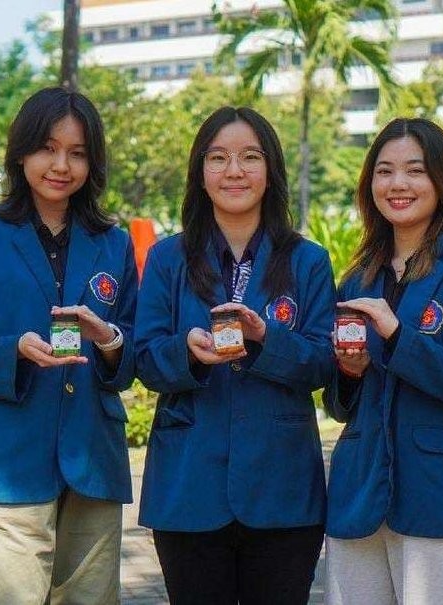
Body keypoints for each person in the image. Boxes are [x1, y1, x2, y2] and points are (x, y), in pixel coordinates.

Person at [0, 87, 137, 604]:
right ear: (21, 151)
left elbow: (132, 355)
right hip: (6, 462)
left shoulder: (114, 241)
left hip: (93, 462)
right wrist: (10, 351)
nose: (61, 164)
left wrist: (109, 339)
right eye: (47, 147)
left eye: (79, 152)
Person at [134, 106, 335, 604]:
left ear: (271, 172)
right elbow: (144, 360)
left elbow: (323, 364)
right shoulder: (168, 257)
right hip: (189, 487)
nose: (235, 171)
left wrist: (268, 339)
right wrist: (188, 352)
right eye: (218, 158)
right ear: (200, 174)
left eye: (250, 157)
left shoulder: (307, 260)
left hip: (282, 488)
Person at [323, 118, 443, 604]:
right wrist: (348, 375)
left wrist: (397, 335)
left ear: (442, 181)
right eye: (384, 172)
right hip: (360, 491)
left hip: (441, 493)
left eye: (415, 170)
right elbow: (342, 405)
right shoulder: (356, 280)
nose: (398, 184)